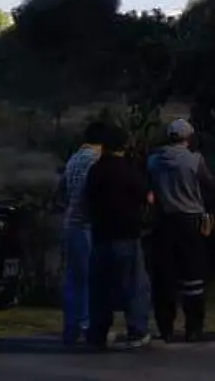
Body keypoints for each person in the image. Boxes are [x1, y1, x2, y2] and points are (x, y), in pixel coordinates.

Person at [146, 117, 215, 342]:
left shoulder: (154, 160)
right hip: (190, 222)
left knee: (164, 276)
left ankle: (165, 326)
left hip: (163, 221)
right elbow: (209, 184)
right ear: (189, 137)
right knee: (193, 276)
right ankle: (193, 328)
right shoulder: (195, 161)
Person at [83, 126, 153, 350]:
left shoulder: (95, 170)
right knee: (134, 286)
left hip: (101, 234)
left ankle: (98, 333)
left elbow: (87, 199)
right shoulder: (129, 170)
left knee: (100, 289)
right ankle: (137, 331)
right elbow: (148, 197)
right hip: (127, 234)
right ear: (124, 146)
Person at [58, 120, 109, 347]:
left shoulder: (74, 159)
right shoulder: (95, 161)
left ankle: (71, 327)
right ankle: (87, 325)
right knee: (90, 278)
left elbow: (61, 192)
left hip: (70, 223)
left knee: (74, 278)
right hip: (86, 223)